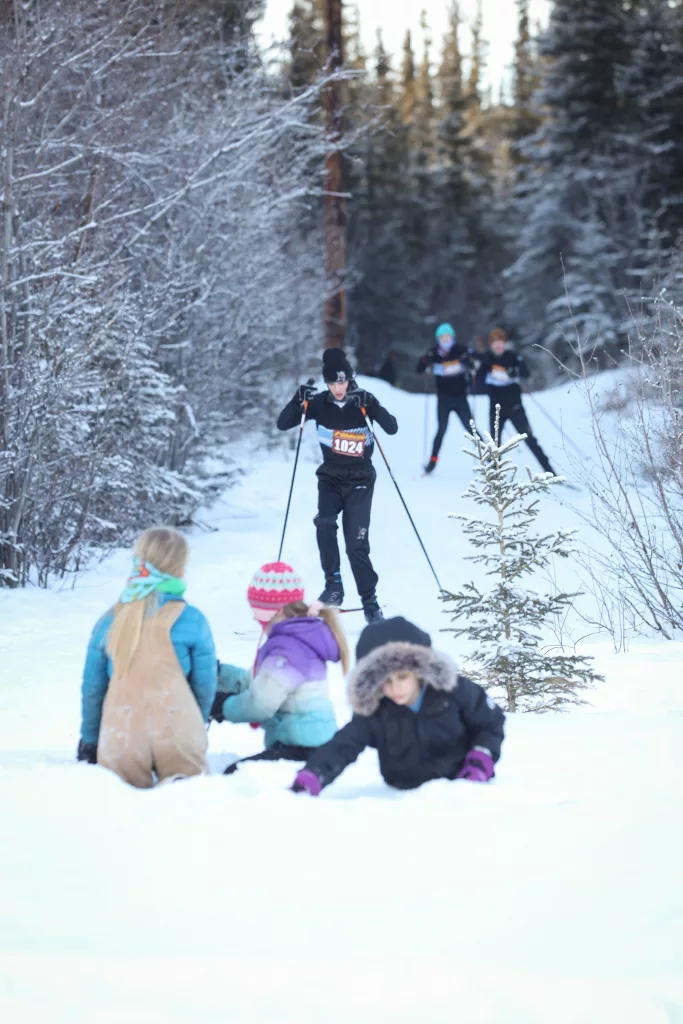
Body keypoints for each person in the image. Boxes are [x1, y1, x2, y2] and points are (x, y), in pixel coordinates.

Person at [289, 616, 505, 796]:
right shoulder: (376, 712)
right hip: (401, 798)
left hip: (462, 790)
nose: (396, 688)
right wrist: (313, 774)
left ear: (419, 671)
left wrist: (480, 760)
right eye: (385, 682)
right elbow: (344, 745)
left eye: (402, 677)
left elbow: (489, 722)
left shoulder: (454, 692)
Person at [78, 527, 217, 788]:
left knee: (119, 802)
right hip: (178, 734)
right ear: (180, 568)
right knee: (189, 798)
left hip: (121, 736)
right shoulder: (192, 620)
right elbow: (205, 685)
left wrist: (90, 739)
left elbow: (93, 690)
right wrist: (197, 725)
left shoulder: (110, 621)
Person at [276, 348, 398, 624]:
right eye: (332, 383)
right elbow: (283, 424)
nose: (338, 388)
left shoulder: (362, 401)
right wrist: (297, 400)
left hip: (360, 479)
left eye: (342, 382)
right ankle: (334, 586)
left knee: (356, 545)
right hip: (330, 477)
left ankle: (370, 602)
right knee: (325, 523)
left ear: (350, 380)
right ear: (326, 383)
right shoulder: (319, 404)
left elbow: (391, 428)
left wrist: (373, 406)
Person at [211, 561, 348, 774]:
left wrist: (220, 706)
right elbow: (260, 682)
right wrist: (219, 673)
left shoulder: (288, 647)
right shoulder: (297, 637)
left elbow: (260, 704)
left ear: (276, 611)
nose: (255, 618)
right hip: (311, 744)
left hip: (304, 749)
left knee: (235, 774)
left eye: (257, 610)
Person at [475, 328, 555, 474]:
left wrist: (515, 371)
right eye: (494, 342)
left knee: (529, 439)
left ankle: (550, 471)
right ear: (491, 345)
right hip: (496, 409)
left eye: (500, 341)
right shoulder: (487, 360)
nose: (497, 345)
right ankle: (496, 476)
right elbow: (477, 382)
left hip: (515, 407)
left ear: (504, 343)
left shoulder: (513, 357)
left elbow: (525, 374)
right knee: (494, 444)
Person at [416, 323, 475, 475]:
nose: (445, 340)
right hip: (443, 399)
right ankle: (432, 462)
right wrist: (425, 363)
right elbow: (419, 368)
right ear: (438, 339)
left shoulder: (460, 350)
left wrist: (470, 363)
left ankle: (489, 459)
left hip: (461, 397)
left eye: (448, 337)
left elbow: (474, 361)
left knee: (471, 430)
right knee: (441, 430)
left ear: (452, 337)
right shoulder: (434, 353)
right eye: (442, 337)